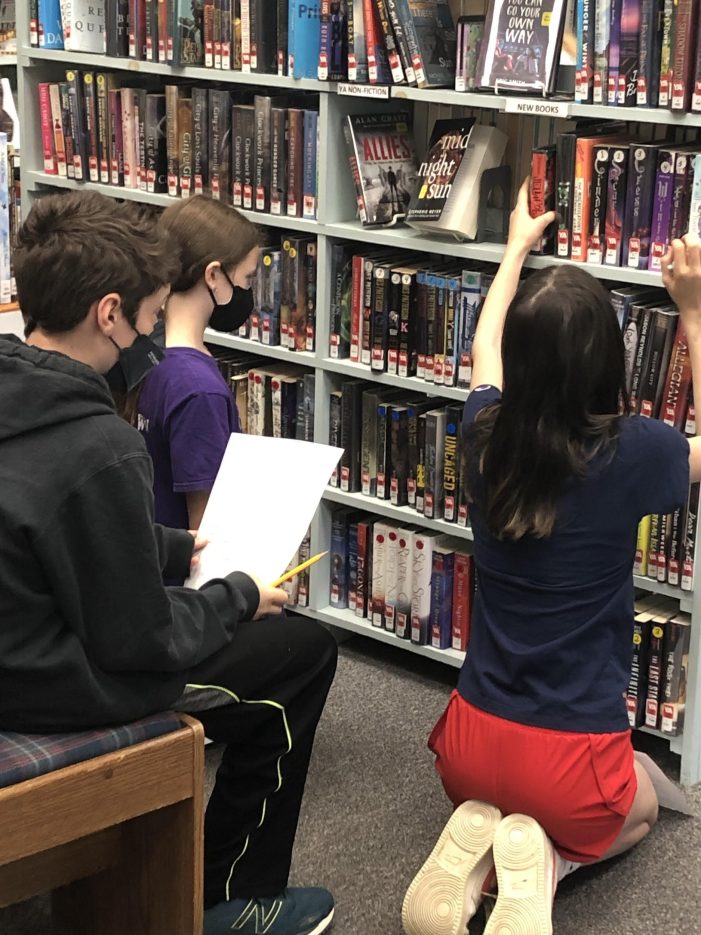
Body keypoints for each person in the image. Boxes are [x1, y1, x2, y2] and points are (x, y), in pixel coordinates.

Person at [0, 190, 337, 935]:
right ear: (110, 313)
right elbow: (140, 640)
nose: (155, 334)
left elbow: (51, 528)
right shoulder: (97, 444)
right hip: (44, 680)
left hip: (16, 631)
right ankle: (225, 899)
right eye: (152, 315)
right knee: (301, 655)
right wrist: (236, 594)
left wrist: (178, 547)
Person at [402, 180, 701, 935]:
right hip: (570, 759)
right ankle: (547, 860)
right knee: (637, 807)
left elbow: (481, 346)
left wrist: (513, 250)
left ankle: (478, 863)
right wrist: (692, 308)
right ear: (608, 359)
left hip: (467, 744)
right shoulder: (633, 452)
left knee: (549, 794)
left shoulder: (482, 436)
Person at [135, 195, 259, 537]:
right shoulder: (198, 389)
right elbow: (205, 533)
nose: (248, 292)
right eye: (247, 279)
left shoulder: (151, 359)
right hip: (188, 585)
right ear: (214, 275)